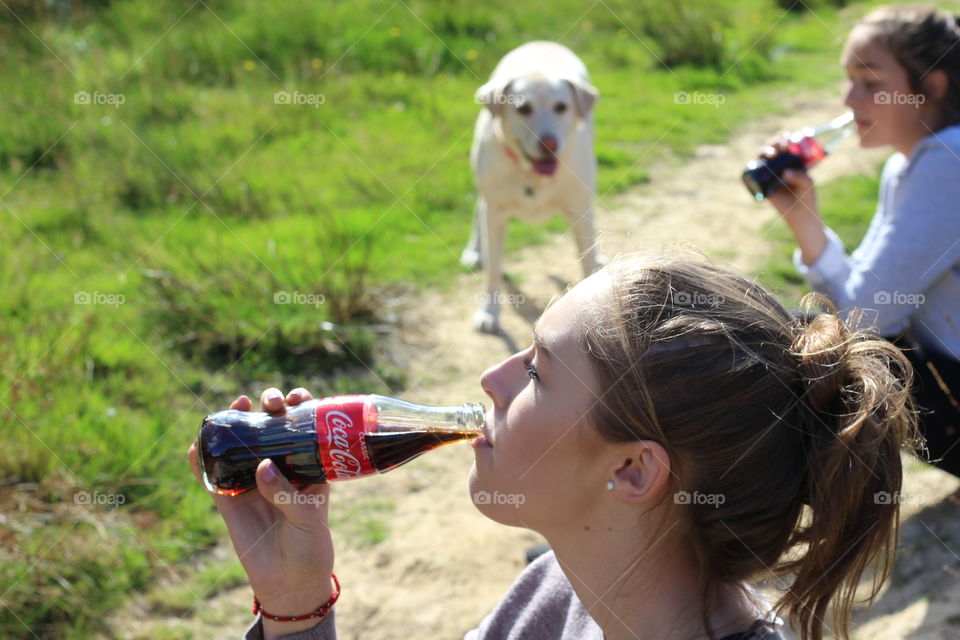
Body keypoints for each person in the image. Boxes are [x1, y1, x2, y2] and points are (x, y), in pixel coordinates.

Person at [188, 253, 920, 640]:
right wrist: (296, 605)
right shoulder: (554, 597)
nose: (490, 378)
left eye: (536, 368)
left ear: (633, 470)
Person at [759, 4, 960, 477]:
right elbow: (865, 301)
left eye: (870, 83)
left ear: (930, 89)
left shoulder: (947, 164)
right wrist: (803, 220)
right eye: (850, 80)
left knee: (794, 341)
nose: (850, 99)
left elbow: (861, 319)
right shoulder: (914, 163)